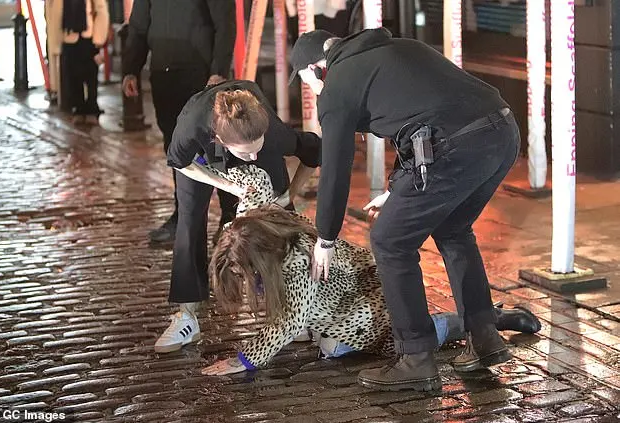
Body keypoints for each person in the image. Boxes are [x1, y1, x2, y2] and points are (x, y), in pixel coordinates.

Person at [289, 28, 522, 391]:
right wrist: (397, 190)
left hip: (455, 146)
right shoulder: (400, 49)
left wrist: (327, 236)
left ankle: (415, 357)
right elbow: (422, 116)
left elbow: (335, 167)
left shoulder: (337, 86)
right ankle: (484, 337)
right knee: (453, 228)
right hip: (503, 131)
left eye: (307, 81)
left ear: (318, 68)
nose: (313, 90)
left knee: (389, 241)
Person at [199, 201, 540, 376]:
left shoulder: (298, 264)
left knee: (409, 337)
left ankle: (490, 319)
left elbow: (287, 321)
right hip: (347, 301)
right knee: (331, 345)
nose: (242, 277)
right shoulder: (271, 235)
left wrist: (246, 359)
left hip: (368, 311)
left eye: (244, 270)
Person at [154, 80, 322, 353]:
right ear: (220, 141)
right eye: (247, 152)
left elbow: (314, 151)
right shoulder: (191, 125)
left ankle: (291, 309)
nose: (253, 155)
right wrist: (229, 186)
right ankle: (187, 317)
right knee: (190, 220)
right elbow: (179, 162)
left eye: (257, 147)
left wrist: (290, 194)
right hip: (199, 160)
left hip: (249, 137)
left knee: (279, 220)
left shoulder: (273, 137)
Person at [122, 0, 237, 244]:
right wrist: (131, 68)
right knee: (175, 147)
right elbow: (139, 26)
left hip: (203, 76)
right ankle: (183, 216)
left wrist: (219, 70)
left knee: (216, 147)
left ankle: (230, 215)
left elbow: (225, 25)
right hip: (163, 74)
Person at [46, 0, 109, 124]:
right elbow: (55, 15)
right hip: (69, 37)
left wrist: (99, 37)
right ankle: (79, 108)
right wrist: (56, 43)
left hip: (89, 36)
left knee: (91, 75)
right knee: (73, 76)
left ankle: (91, 108)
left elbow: (100, 10)